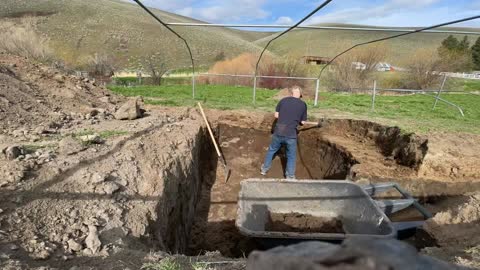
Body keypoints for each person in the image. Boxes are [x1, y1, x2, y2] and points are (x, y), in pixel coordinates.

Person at [261, 86, 307, 179]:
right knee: (291, 156)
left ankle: (264, 169)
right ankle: (290, 176)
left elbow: (277, 115)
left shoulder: (283, 101)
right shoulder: (303, 105)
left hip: (279, 131)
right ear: (300, 94)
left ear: (291, 93)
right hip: (291, 134)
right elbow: (302, 122)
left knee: (271, 150)